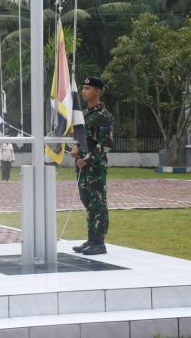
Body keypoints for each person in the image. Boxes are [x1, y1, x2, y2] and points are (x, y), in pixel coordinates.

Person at [70, 76, 114, 256]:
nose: (84, 91)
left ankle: (99, 242)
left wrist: (85, 159)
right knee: (87, 202)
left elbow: (106, 145)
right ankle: (91, 239)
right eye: (83, 88)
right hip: (82, 167)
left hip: (94, 167)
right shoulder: (84, 115)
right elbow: (81, 139)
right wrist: (75, 148)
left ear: (97, 91)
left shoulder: (104, 116)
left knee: (98, 203)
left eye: (88, 88)